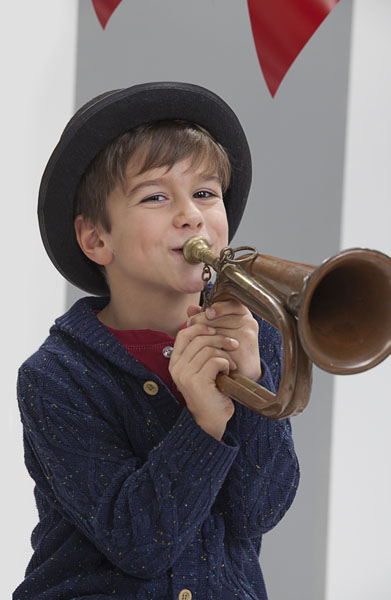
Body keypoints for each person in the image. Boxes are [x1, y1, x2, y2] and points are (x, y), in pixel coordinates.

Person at [14, 82, 299, 600]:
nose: (191, 214)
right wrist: (204, 422)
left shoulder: (256, 340)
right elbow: (138, 544)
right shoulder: (55, 376)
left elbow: (260, 512)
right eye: (155, 197)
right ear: (96, 238)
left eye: (205, 193)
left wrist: (252, 382)